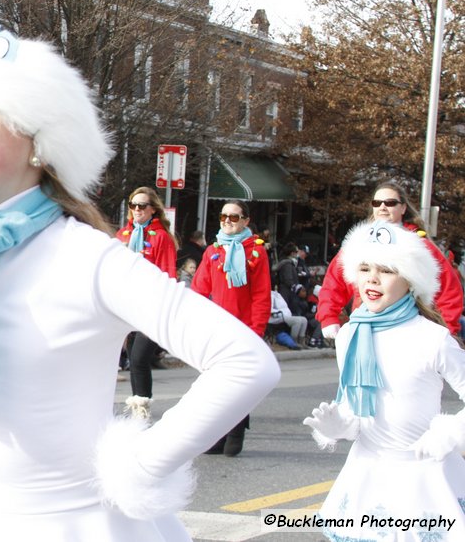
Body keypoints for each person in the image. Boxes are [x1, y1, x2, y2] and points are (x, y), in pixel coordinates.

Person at [0, 28, 279, 539]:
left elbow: (247, 362)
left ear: (39, 142)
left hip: (81, 522)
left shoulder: (91, 259)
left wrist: (139, 466)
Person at [303, 219, 465, 540]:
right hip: (369, 474)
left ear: (411, 281)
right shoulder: (349, 334)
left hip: (424, 475)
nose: (373, 278)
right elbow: (357, 410)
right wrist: (338, 426)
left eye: (387, 270)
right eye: (364, 268)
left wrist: (452, 432)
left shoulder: (434, 338)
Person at [317, 181, 463, 339]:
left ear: (403, 208)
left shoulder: (419, 246)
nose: (382, 207)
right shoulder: (360, 242)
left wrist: (447, 330)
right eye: (377, 202)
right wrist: (328, 317)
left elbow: (448, 289)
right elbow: (334, 282)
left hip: (409, 330)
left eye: (390, 203)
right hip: (366, 328)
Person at [191, 199, 273, 457]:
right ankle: (218, 432)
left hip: (244, 328)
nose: (227, 220)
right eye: (224, 216)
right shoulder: (212, 251)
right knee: (216, 382)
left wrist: (256, 329)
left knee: (239, 382)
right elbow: (199, 290)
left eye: (234, 217)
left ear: (246, 221)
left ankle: (236, 429)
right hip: (217, 329)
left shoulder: (256, 253)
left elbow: (261, 295)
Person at [115, 186, 179, 421]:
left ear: (153, 209)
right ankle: (137, 408)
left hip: (151, 305)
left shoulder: (162, 237)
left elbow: (168, 274)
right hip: (126, 305)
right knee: (134, 359)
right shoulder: (123, 234)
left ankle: (142, 409)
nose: (137, 210)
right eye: (133, 205)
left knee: (141, 358)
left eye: (142, 205)